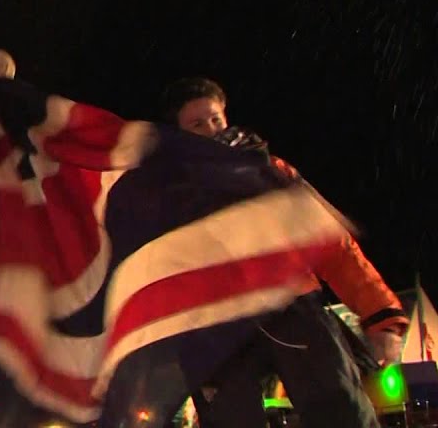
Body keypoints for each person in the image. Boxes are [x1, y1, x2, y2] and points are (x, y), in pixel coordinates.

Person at [160, 76, 408, 428]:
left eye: (216, 118)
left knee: (341, 411)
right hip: (217, 323)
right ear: (179, 134)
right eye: (197, 124)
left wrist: (379, 314)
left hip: (292, 306)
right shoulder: (168, 192)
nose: (211, 129)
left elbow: (330, 242)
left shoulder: (271, 172)